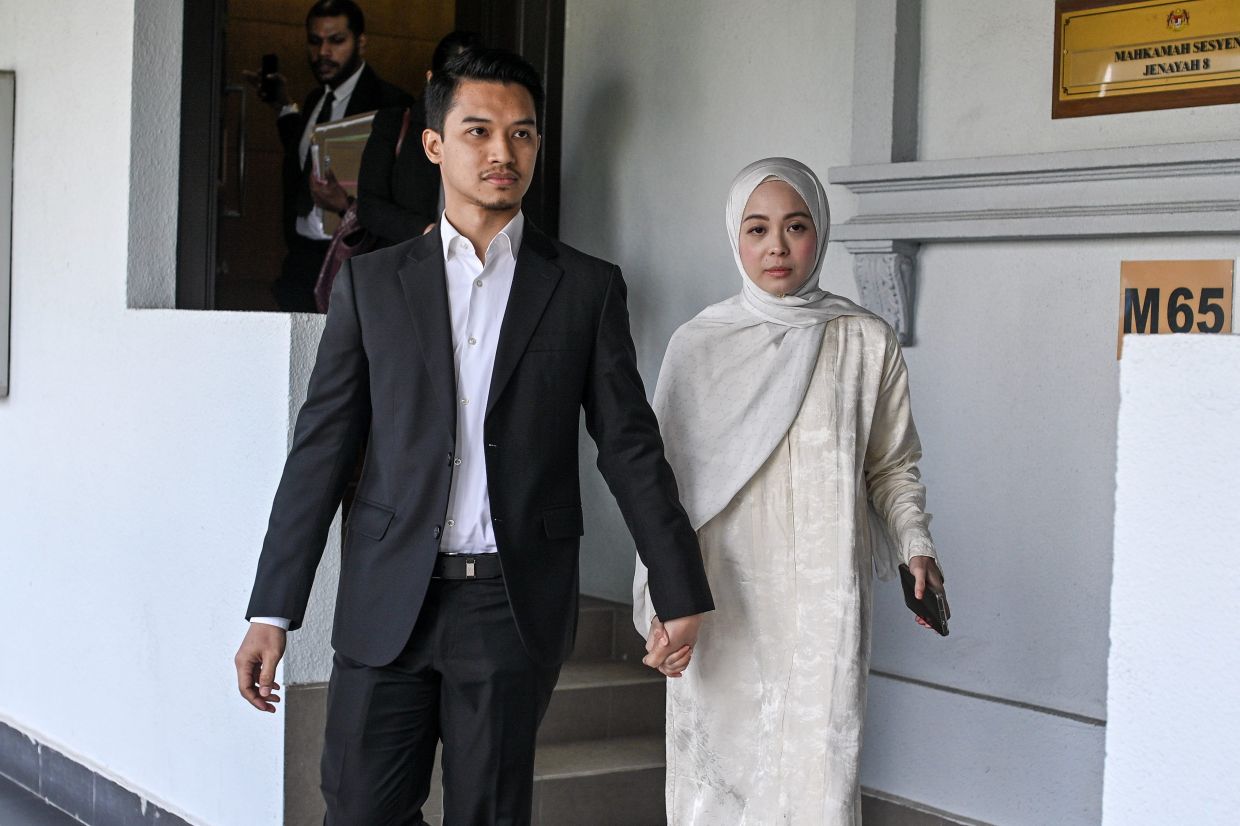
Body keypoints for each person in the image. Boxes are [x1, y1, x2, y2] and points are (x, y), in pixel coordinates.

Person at [234, 49, 713, 825]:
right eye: (479, 131)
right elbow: (321, 449)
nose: (503, 152)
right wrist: (273, 608)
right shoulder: (372, 284)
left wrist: (676, 582)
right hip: (390, 592)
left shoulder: (584, 287)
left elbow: (629, 445)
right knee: (357, 810)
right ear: (434, 144)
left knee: (488, 813)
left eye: (522, 134)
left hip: (509, 602)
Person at [634, 158, 949, 824]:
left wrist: (915, 545)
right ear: (735, 237)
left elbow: (892, 464)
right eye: (757, 229)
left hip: (823, 605)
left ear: (819, 233)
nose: (776, 246)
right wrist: (663, 600)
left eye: (795, 226)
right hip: (721, 596)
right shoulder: (698, 346)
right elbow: (660, 492)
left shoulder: (864, 340)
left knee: (816, 780)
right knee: (718, 793)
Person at [249, 0, 413, 312]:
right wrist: (283, 106)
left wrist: (346, 206)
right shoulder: (315, 100)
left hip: (355, 259)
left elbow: (403, 197)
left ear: (360, 42)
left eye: (336, 41)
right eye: (315, 41)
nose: (323, 52)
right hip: (301, 261)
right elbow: (307, 157)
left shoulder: (390, 105)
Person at [356, 30, 484, 246]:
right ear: (431, 79)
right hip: (407, 255)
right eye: (453, 84)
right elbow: (369, 207)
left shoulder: (494, 135)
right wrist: (427, 232)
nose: (463, 96)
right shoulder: (394, 124)